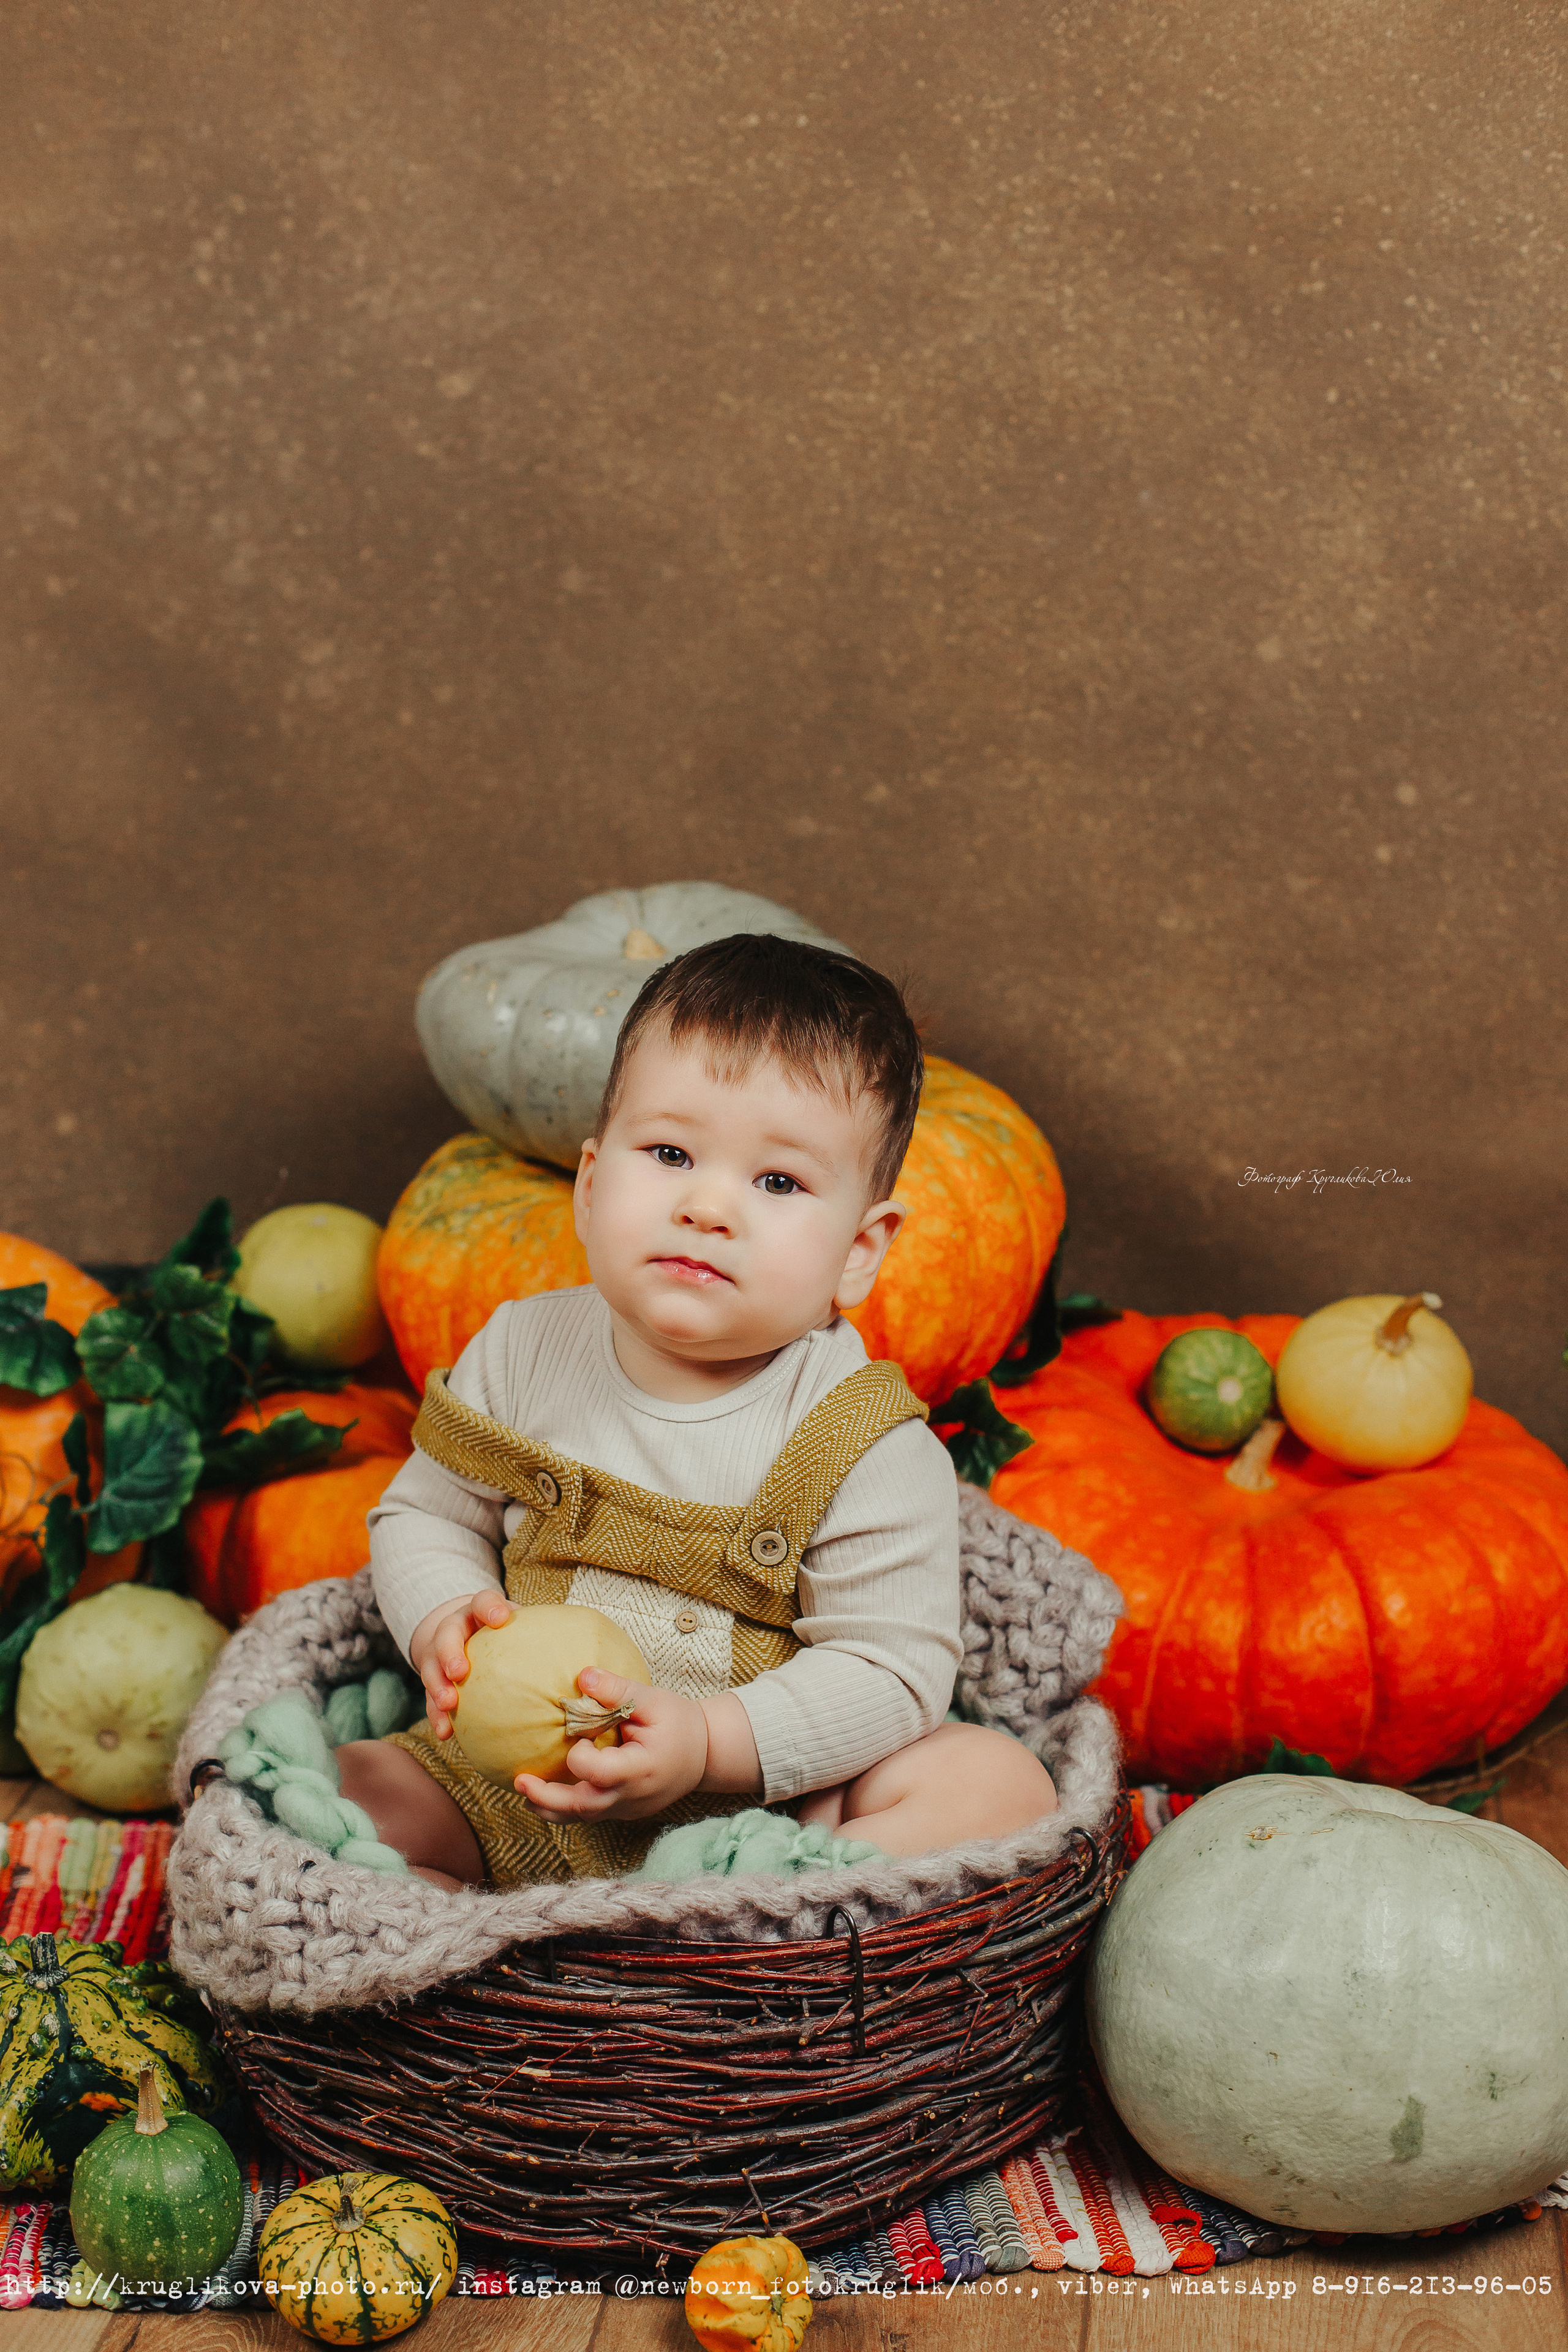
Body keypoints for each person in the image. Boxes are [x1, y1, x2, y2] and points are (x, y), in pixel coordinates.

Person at [343, 932, 1057, 1888]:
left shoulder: (862, 1442)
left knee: (996, 1784)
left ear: (860, 1249)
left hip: (758, 1824)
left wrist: (710, 1742)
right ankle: (495, 1954)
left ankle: (739, 1931)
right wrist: (442, 1622)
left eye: (778, 1182)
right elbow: (427, 1513)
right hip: (506, 1788)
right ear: (591, 1187)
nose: (708, 1206)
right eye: (672, 1153)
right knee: (336, 1794)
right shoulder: (520, 1352)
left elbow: (891, 1672)